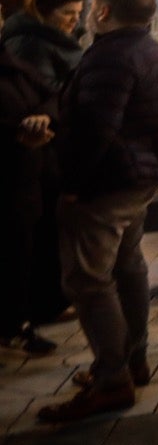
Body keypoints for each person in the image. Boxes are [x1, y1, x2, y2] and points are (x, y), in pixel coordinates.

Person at [40, 0, 158, 422]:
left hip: (109, 181)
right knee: (127, 265)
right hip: (140, 177)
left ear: (103, 12)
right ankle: (132, 358)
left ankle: (112, 377)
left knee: (87, 280)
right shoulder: (153, 51)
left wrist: (72, 183)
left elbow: (96, 128)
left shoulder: (111, 56)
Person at [0, 0, 84, 337]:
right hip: (28, 154)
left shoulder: (50, 42)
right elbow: (34, 95)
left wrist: (48, 113)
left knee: (44, 230)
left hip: (44, 148)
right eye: (68, 13)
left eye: (78, 14)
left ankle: (39, 304)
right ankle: (30, 310)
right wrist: (36, 121)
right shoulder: (29, 43)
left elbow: (45, 95)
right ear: (46, 12)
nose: (73, 20)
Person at [0, 43, 59, 355]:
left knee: (19, 254)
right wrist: (17, 131)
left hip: (23, 177)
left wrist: (42, 118)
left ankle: (16, 324)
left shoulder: (14, 64)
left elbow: (51, 95)